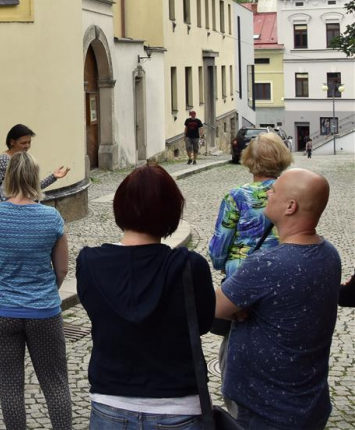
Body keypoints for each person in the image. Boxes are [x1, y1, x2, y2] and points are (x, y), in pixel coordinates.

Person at [77, 163, 215, 429]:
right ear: (172, 212)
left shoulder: (89, 263)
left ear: (120, 207)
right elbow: (204, 324)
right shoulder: (189, 265)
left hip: (110, 402)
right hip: (178, 405)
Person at [215, 168, 340, 429]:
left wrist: (235, 305)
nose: (268, 193)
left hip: (264, 407)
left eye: (274, 191)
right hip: (308, 402)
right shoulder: (330, 254)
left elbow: (215, 306)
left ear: (290, 206)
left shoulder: (267, 263)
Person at [0, 152, 72, 429]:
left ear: (7, 179)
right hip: (43, 311)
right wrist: (44, 291)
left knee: (9, 389)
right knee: (55, 384)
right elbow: (62, 270)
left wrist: (2, 290)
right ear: (34, 178)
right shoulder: (51, 217)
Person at [207, 132, 291, 414]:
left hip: (242, 286)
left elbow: (219, 250)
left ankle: (239, 408)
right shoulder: (293, 195)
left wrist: (226, 262)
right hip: (282, 281)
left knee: (235, 348)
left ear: (249, 160)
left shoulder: (237, 197)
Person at [0, 124, 70, 208]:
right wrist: (0, 209)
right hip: (9, 209)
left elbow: (31, 186)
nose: (27, 146)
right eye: (23, 143)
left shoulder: (25, 159)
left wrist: (53, 177)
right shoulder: (3, 160)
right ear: (12, 142)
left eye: (29, 142)